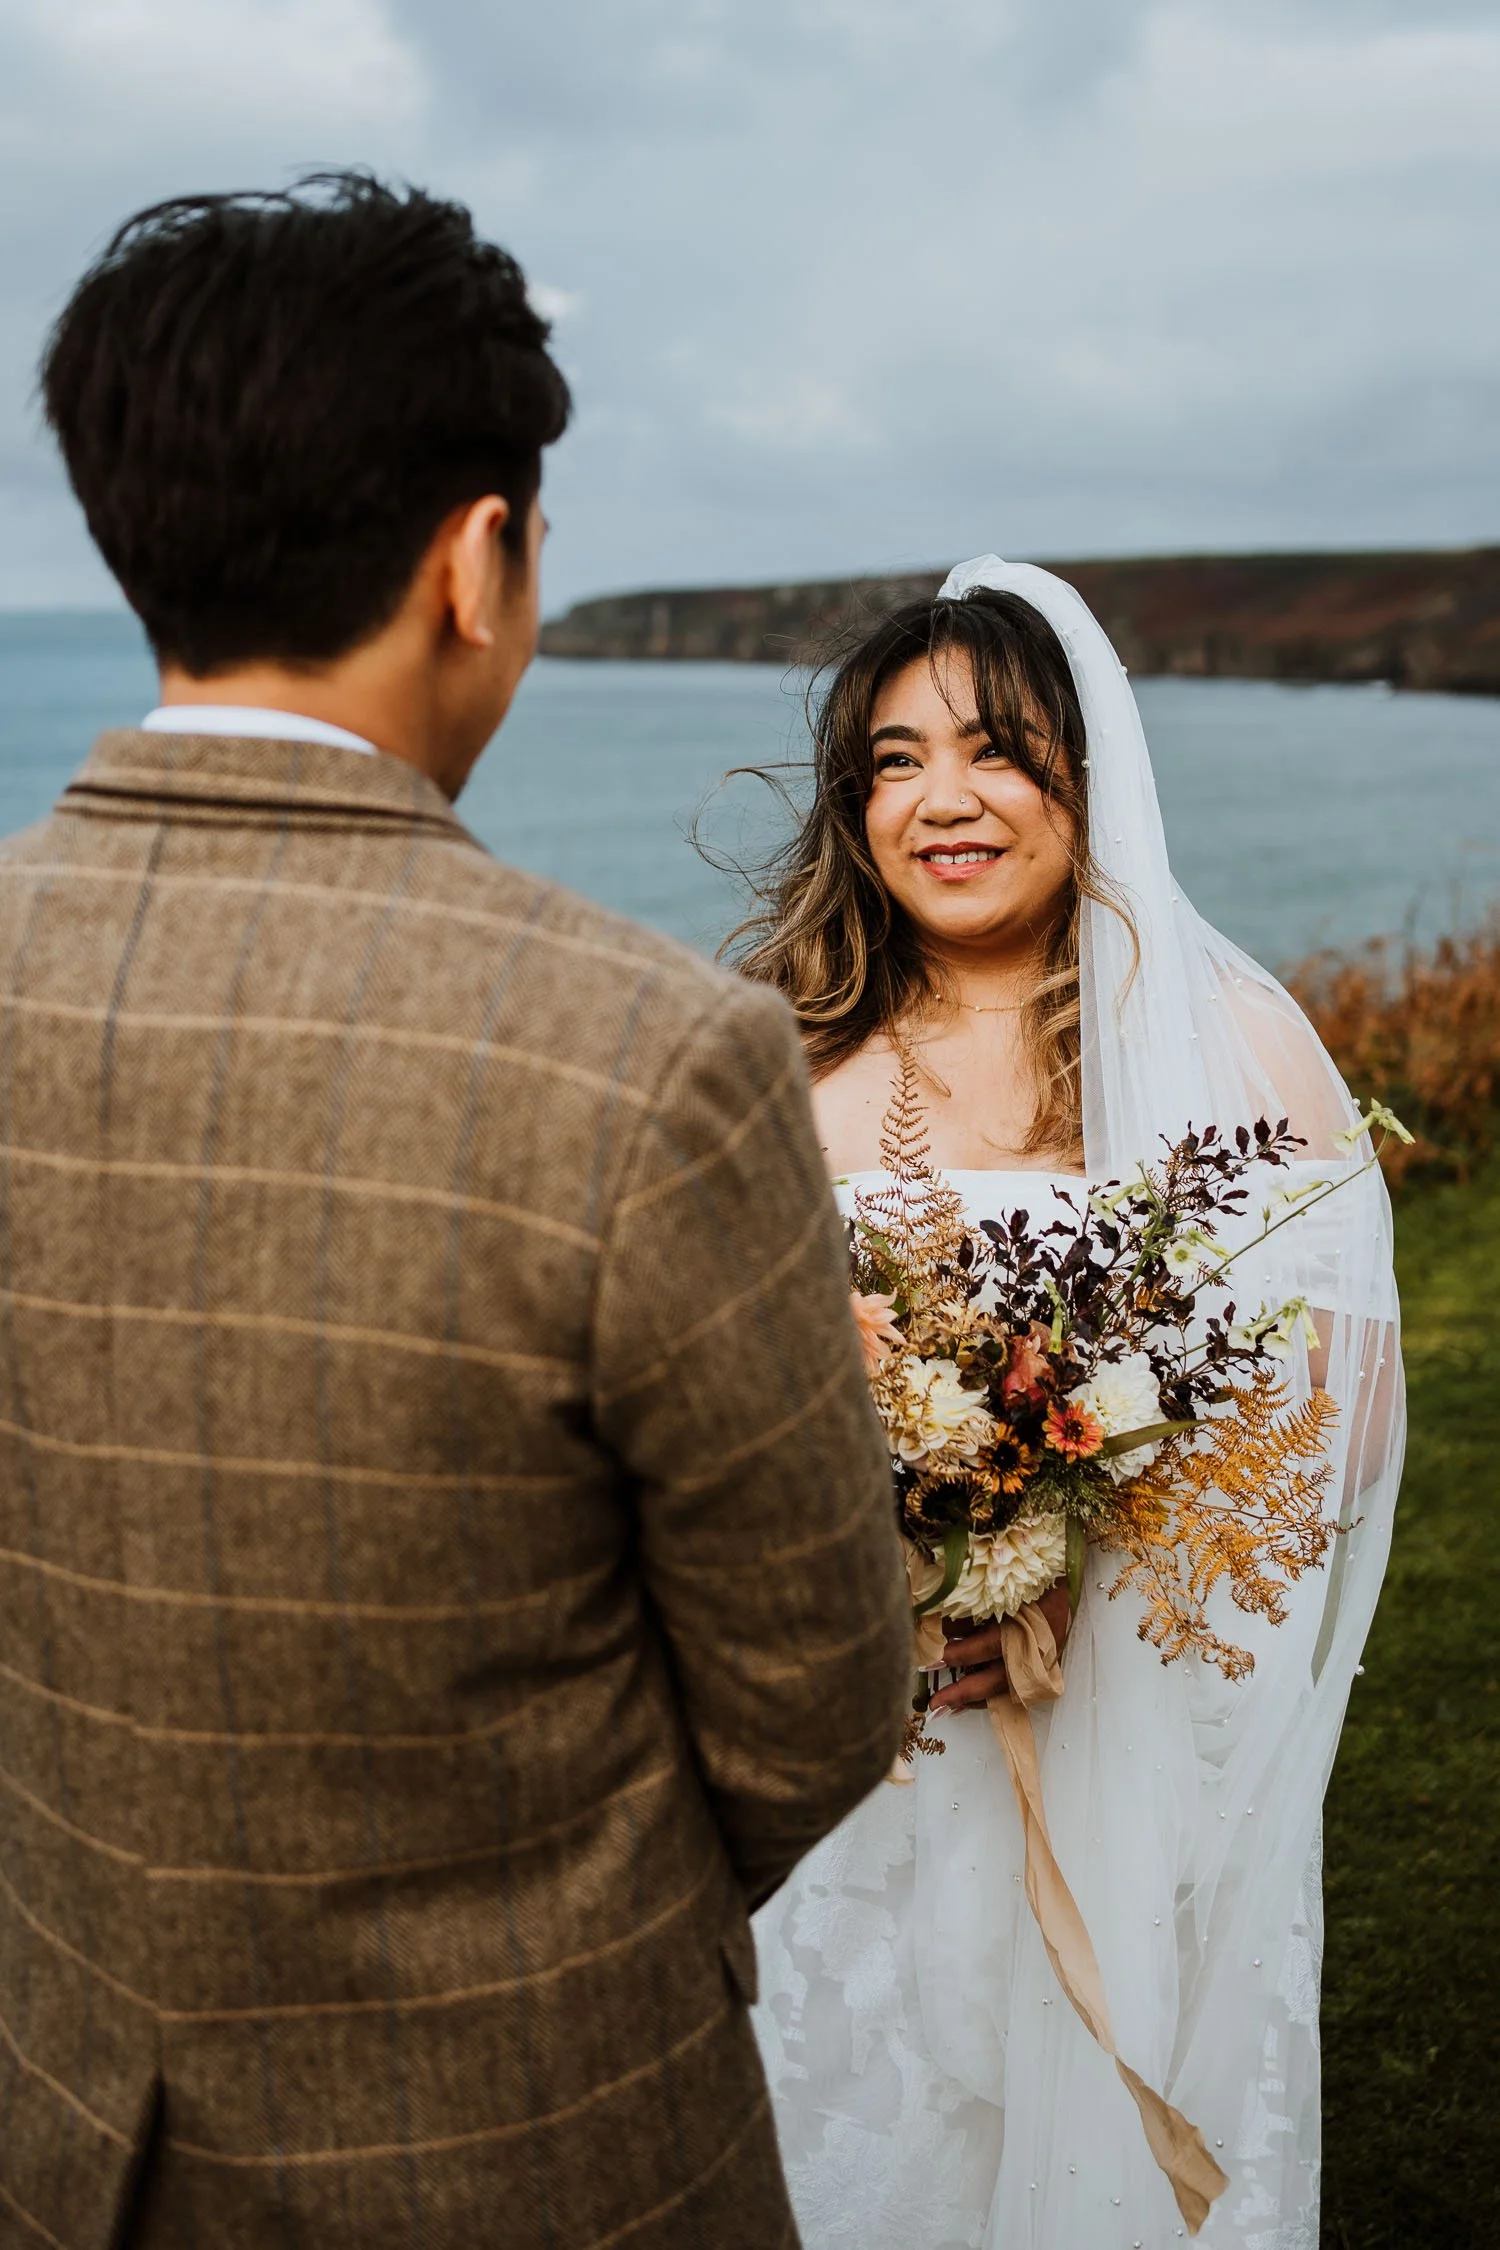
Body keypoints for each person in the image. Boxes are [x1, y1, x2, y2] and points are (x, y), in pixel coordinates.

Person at [0, 173, 912, 2250]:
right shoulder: (649, 1058)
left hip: (66, 2134)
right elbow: (818, 1699)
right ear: (476, 560)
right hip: (541, 2143)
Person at [734, 558, 1404, 2249]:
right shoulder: (776, 1049)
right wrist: (883, 1581)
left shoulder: (1228, 1053)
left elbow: (1343, 1423)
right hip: (855, 1756)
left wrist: (1047, 1573)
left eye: (994, 750)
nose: (940, 800)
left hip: (1122, 1731)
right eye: (891, 760)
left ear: (1083, 778)